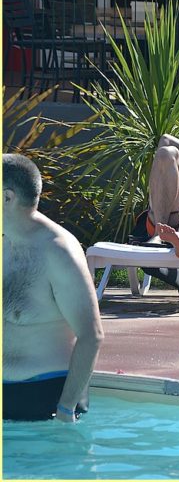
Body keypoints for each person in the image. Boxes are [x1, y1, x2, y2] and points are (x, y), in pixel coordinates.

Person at [3, 154, 104, 422]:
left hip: (46, 399)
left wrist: (66, 409)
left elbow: (91, 335)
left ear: (7, 198)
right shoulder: (5, 245)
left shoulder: (58, 252)